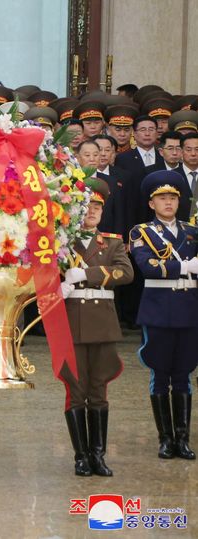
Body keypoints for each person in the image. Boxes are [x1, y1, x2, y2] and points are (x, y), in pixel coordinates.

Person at [59, 179, 133, 476]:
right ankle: (80, 456)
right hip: (72, 323)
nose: (92, 210)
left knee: (99, 389)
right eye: (87, 205)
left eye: (97, 206)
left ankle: (98, 455)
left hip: (102, 323)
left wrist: (85, 273)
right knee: (76, 390)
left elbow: (125, 273)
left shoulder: (112, 241)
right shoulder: (61, 242)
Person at [130, 170, 198, 461]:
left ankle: (182, 438)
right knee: (160, 373)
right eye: (162, 198)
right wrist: (183, 267)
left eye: (172, 197)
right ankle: (165, 439)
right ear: (151, 203)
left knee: (184, 373)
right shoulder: (140, 231)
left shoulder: (192, 231)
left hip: (189, 309)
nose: (168, 203)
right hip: (158, 308)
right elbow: (146, 266)